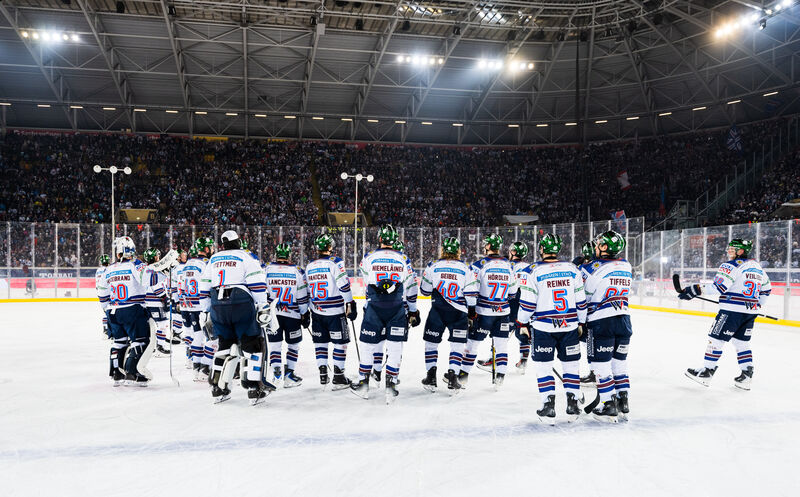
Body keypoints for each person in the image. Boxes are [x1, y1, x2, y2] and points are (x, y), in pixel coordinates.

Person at [679, 238, 771, 391]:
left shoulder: (731, 265)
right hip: (750, 313)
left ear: (741, 251)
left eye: (732, 249)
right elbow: (767, 289)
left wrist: (695, 289)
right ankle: (746, 375)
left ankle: (707, 372)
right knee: (742, 343)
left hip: (731, 311)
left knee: (715, 339)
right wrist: (758, 304)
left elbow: (719, 287)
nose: (729, 251)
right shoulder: (757, 267)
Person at [517, 234, 587, 423]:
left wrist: (522, 322)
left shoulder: (532, 271)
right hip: (569, 326)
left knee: (543, 367)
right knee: (571, 366)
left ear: (541, 249)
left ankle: (548, 405)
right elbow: (581, 300)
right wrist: (581, 322)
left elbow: (527, 303)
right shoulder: (572, 269)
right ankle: (573, 403)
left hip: (543, 328)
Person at [199, 230, 274, 404]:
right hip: (241, 302)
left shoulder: (214, 259)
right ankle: (254, 388)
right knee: (252, 344)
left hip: (217, 304)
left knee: (224, 345)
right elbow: (257, 283)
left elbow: (203, 287)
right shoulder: (246, 257)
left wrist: (205, 310)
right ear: (239, 242)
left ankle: (218, 388)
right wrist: (262, 306)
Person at [351, 225, 420, 402]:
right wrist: (413, 311)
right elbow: (411, 287)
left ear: (380, 239)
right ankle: (391, 384)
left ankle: (364, 383)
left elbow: (366, 282)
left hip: (374, 307)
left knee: (368, 346)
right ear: (395, 240)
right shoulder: (404, 259)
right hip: (397, 308)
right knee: (395, 346)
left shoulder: (369, 258)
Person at [579, 231, 632, 422]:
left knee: (601, 366)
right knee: (619, 363)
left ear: (603, 247)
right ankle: (623, 402)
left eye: (598, 243)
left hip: (601, 321)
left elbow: (584, 295)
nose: (595, 246)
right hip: (624, 319)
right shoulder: (626, 265)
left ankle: (608, 404)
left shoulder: (592, 268)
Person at [97, 236, 161, 386]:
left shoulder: (109, 269)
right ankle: (133, 373)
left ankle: (116, 373)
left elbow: (102, 294)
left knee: (118, 342)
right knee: (141, 340)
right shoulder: (135, 264)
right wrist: (162, 271)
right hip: (133, 310)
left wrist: (108, 310)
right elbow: (148, 280)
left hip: (113, 311)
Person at [458, 233, 518, 389]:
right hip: (503, 312)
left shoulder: (480, 265)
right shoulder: (508, 265)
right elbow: (512, 292)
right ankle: (500, 377)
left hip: (484, 312)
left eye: (486, 244)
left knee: (472, 344)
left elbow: (471, 290)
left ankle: (463, 377)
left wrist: (471, 311)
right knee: (502, 346)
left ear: (489, 246)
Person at [418, 237, 477, 392]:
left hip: (437, 310)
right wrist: (471, 314)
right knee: (457, 345)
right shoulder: (466, 268)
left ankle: (431, 376)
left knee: (431, 343)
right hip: (458, 313)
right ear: (458, 251)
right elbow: (471, 295)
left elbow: (424, 291)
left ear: (442, 250)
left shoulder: (433, 266)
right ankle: (452, 376)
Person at [305, 233, 357, 389]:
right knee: (340, 344)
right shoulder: (335, 263)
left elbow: (306, 292)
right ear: (330, 247)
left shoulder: (309, 266)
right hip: (334, 312)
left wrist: (307, 310)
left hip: (317, 311)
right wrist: (350, 303)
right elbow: (344, 285)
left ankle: (322, 374)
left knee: (320, 343)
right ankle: (339, 377)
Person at [477, 241, 532, 373]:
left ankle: (493, 359)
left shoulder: (507, 265)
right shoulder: (530, 266)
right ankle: (523, 361)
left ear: (513, 252)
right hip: (526, 304)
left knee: (501, 335)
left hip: (511, 303)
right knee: (523, 333)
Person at [264, 242, 309, 387]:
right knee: (293, 345)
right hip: (292, 315)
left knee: (275, 346)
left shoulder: (266, 269)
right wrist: (304, 313)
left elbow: (261, 292)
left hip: (273, 315)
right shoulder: (297, 271)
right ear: (289, 255)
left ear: (276, 255)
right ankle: (289, 375)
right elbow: (302, 296)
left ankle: (276, 376)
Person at [142, 248, 171, 356]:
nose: (159, 258)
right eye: (157, 256)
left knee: (149, 326)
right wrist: (164, 298)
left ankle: (150, 346)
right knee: (162, 324)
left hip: (146, 302)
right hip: (156, 301)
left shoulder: (145, 269)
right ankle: (160, 345)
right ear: (154, 257)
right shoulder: (154, 269)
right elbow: (156, 285)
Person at [95, 254, 111, 339]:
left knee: (105, 312)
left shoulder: (98, 270)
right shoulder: (110, 269)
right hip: (110, 293)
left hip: (101, 294)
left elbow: (97, 284)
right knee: (112, 312)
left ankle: (105, 330)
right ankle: (111, 331)